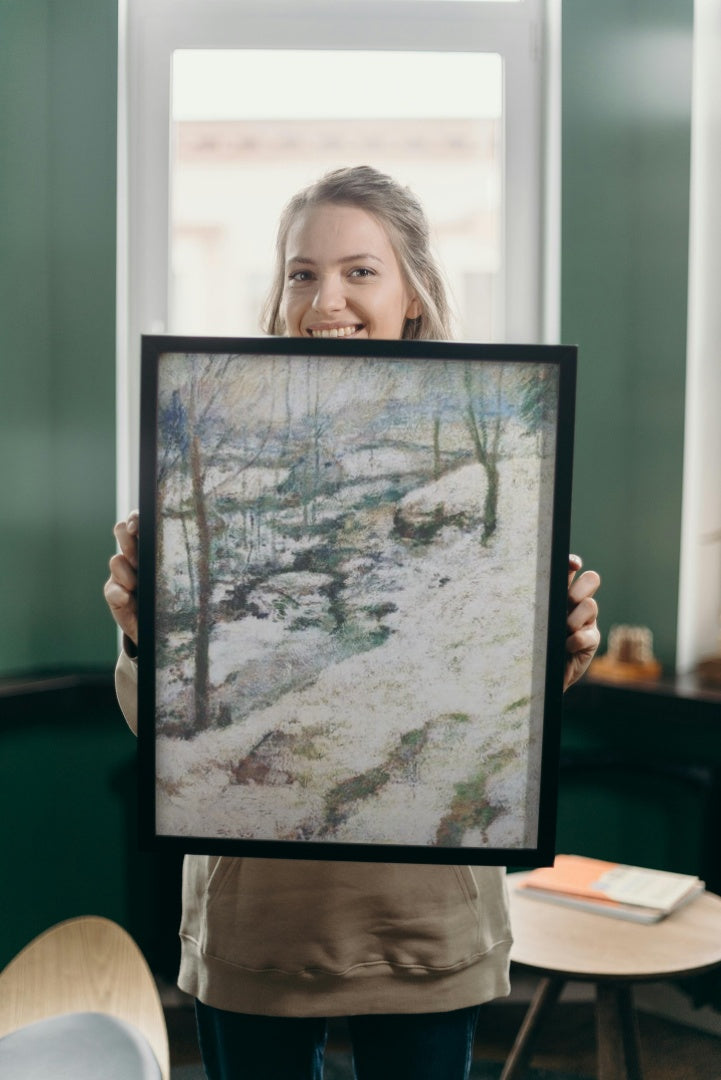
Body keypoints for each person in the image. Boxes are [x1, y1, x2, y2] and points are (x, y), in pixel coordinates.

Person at [105, 166, 601, 1080]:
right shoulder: (207, 438)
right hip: (256, 925)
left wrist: (555, 651)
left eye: (359, 271)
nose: (324, 298)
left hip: (424, 921)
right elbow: (165, 731)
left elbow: (500, 715)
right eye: (301, 272)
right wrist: (145, 636)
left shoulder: (498, 435)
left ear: (412, 292)